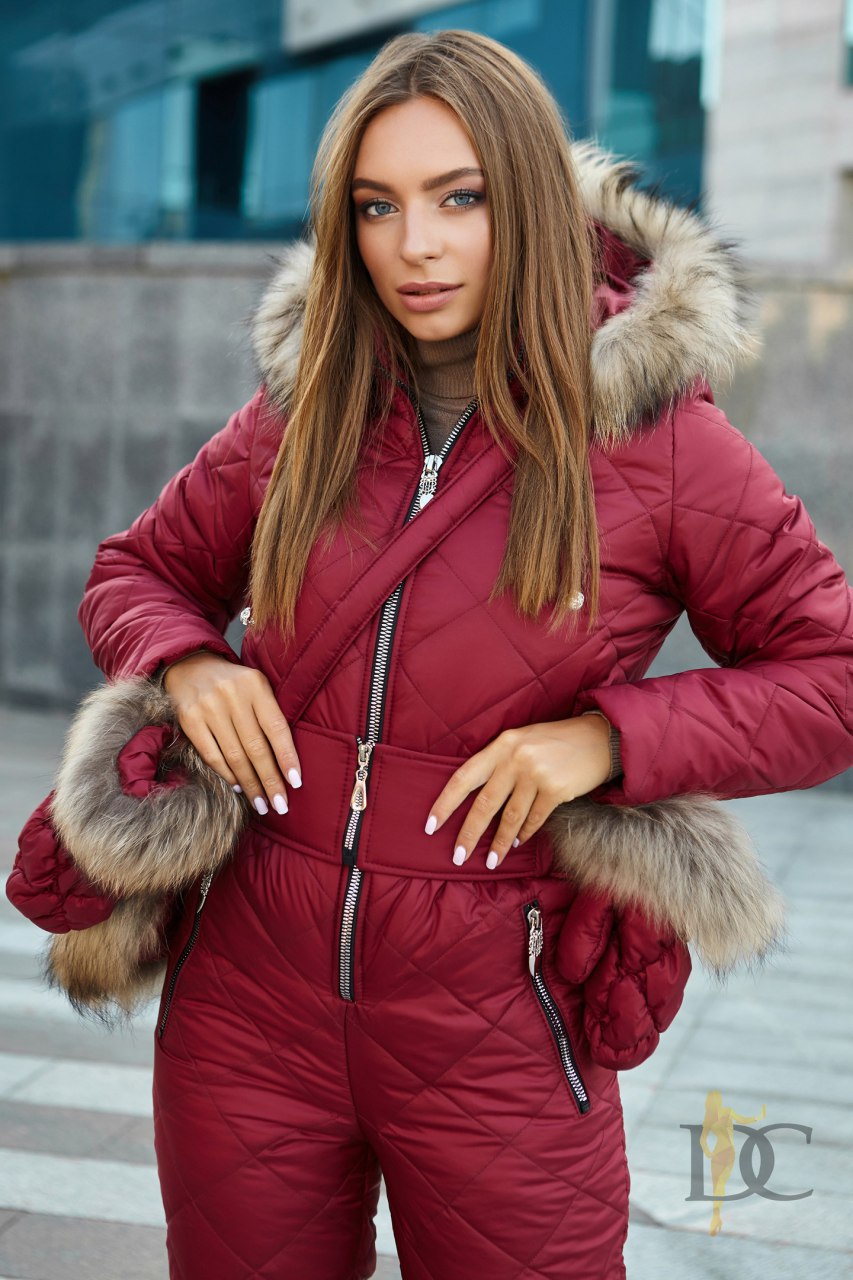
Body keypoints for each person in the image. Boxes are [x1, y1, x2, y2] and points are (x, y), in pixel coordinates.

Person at [8, 28, 853, 1280]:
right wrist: (190, 661)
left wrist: (610, 740)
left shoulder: (660, 438)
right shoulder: (306, 406)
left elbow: (828, 677)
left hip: (500, 1020)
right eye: (378, 205)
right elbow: (138, 569)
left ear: (524, 195)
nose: (418, 244)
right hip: (247, 998)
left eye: (459, 197)